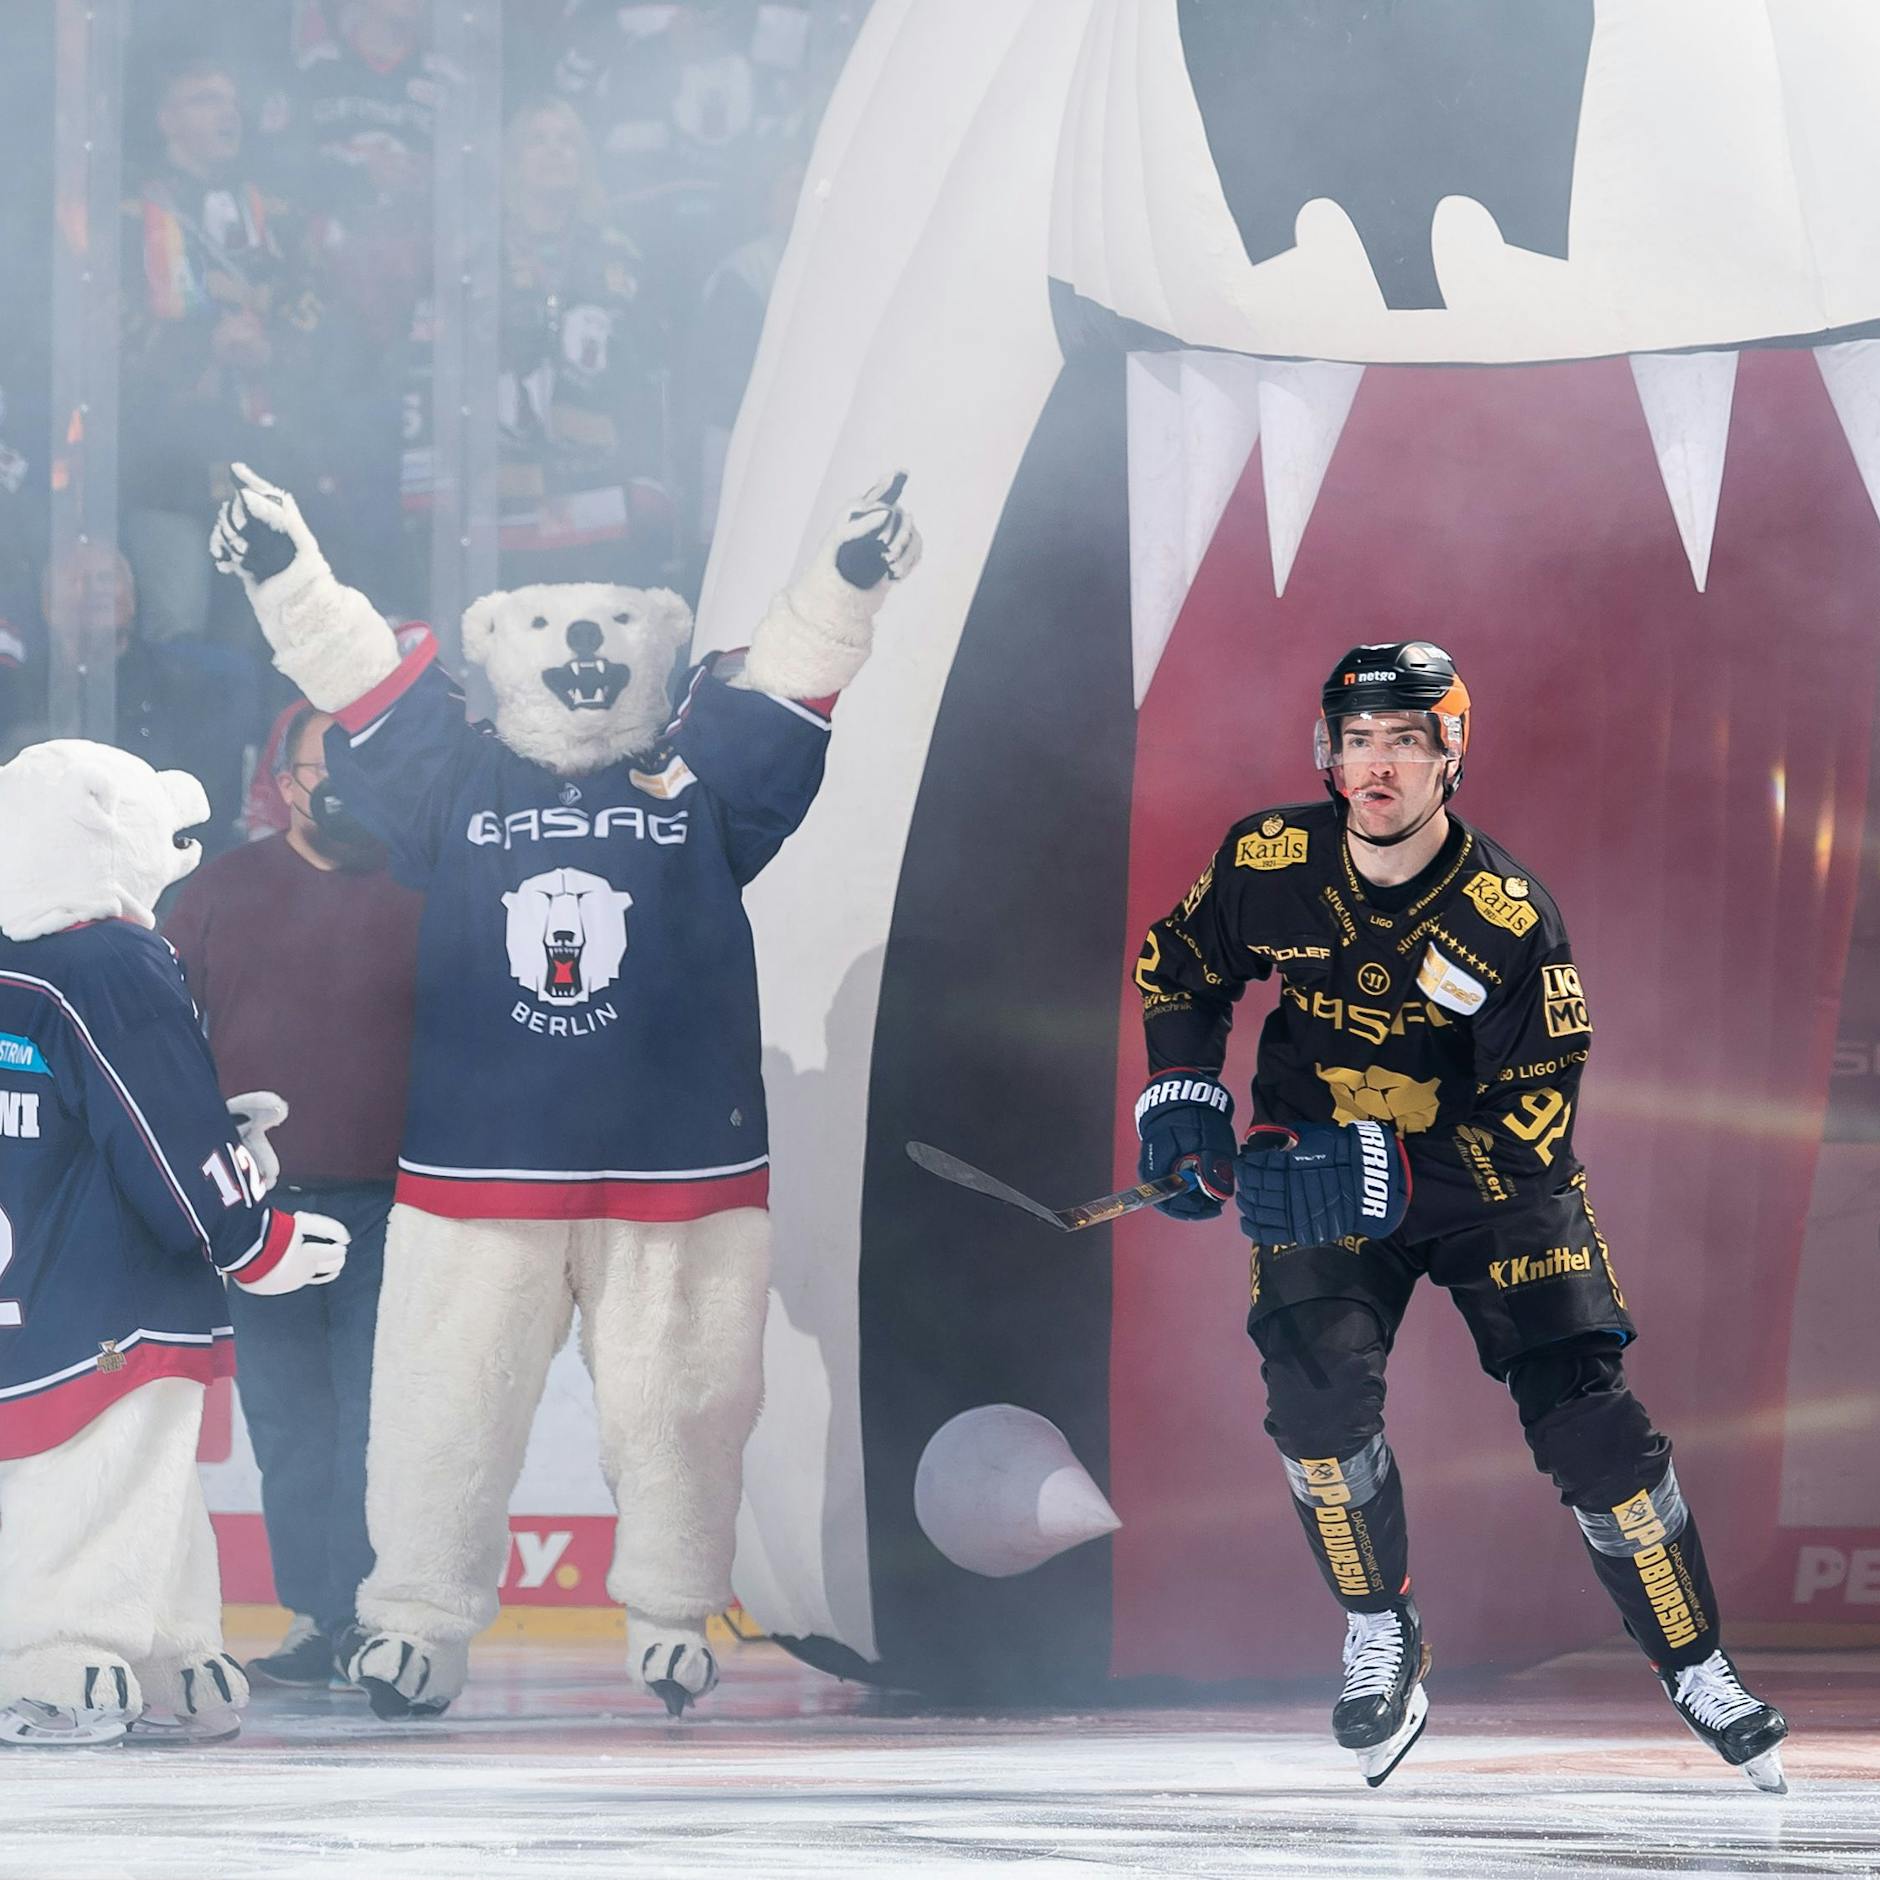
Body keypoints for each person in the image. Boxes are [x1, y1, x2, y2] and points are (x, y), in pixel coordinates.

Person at [1132, 641, 1790, 1792]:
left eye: (1402, 740)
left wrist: (1381, 1167)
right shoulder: (1267, 857)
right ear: (1324, 753)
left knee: (1589, 1427)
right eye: (1354, 739)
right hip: (1313, 1166)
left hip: (1487, 1186)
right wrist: (1184, 1098)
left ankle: (1695, 1660)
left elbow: (1534, 1118)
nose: (1373, 764)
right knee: (1312, 1400)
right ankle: (1382, 1630)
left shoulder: (1506, 915)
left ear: (1450, 754)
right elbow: (1180, 964)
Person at [0, 740, 348, 1747]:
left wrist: (222, 1143)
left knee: (130, 1470)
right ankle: (54, 1652)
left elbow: (76, 1118)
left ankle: (162, 1646)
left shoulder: (18, 964)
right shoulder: (111, 959)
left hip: (32, 1280)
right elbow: (159, 1123)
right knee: (106, 1462)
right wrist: (250, 1231)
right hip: (111, 1289)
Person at [165, 703, 422, 1688]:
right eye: (325, 761)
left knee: (376, 1421)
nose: (346, 777)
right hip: (259, 1213)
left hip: (393, 1205)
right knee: (289, 1423)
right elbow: (168, 1046)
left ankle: (373, 1610)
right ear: (278, 781)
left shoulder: (422, 886)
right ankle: (321, 1613)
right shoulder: (215, 894)